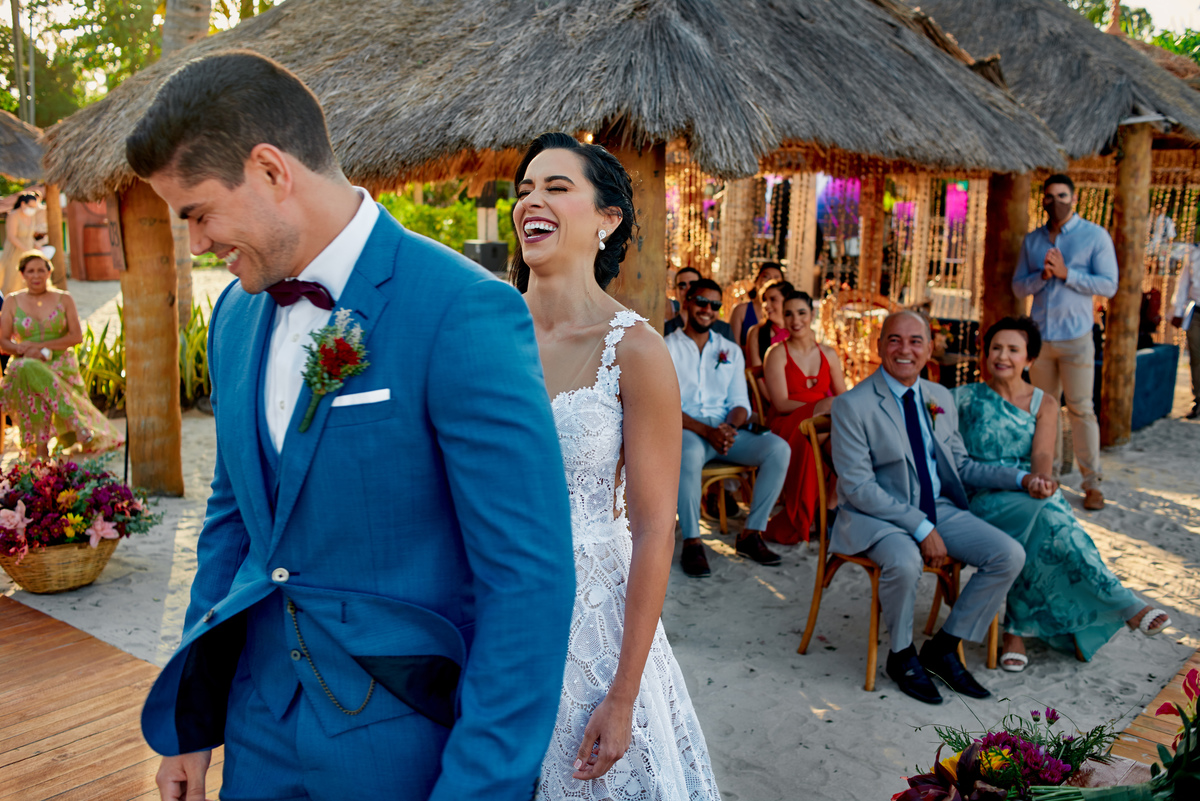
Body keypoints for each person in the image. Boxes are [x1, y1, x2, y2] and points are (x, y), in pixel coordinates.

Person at [127, 52, 575, 801]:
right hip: (259, 724)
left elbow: (529, 580)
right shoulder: (235, 316)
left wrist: (479, 788)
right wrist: (193, 721)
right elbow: (233, 519)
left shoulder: (460, 309)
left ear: (271, 170)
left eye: (197, 211)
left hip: (401, 740)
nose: (197, 239)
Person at [511, 131, 720, 801]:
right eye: (523, 190)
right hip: (494, 611)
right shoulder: (486, 333)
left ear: (608, 218)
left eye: (555, 186)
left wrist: (624, 693)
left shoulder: (635, 350)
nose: (530, 201)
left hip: (591, 627)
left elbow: (656, 528)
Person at [829, 311, 1044, 705]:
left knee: (1008, 554)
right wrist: (920, 527)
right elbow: (858, 488)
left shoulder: (939, 397)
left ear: (929, 348)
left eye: (915, 341)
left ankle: (944, 646)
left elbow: (961, 465)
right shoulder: (853, 405)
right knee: (906, 560)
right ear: (879, 346)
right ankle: (901, 654)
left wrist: (1020, 478)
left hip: (937, 507)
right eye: (894, 340)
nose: (904, 349)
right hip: (877, 518)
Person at [955, 317, 1171, 671]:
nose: (1002, 356)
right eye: (996, 348)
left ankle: (1016, 631)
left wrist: (1040, 480)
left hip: (1028, 491)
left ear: (1029, 359)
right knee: (1045, 513)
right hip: (983, 497)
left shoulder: (1045, 402)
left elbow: (1042, 455)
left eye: (1013, 349)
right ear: (985, 354)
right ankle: (1125, 604)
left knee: (1042, 514)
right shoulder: (964, 398)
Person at [666, 278, 791, 578]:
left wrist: (728, 429)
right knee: (688, 455)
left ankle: (751, 533)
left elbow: (739, 402)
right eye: (701, 302)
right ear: (687, 302)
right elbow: (666, 406)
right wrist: (708, 431)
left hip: (724, 430)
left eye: (714, 305)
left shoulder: (730, 350)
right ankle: (693, 542)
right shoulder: (667, 346)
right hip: (688, 429)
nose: (707, 310)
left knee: (778, 449)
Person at [1013, 173, 1118, 511]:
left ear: (1074, 199)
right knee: (1046, 409)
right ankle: (1049, 476)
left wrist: (1066, 274)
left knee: (1081, 408)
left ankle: (1092, 484)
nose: (1054, 202)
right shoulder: (1033, 241)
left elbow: (1109, 285)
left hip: (1076, 338)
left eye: (1061, 196)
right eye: (1048, 197)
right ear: (1041, 201)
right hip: (1041, 339)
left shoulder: (1094, 236)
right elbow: (1018, 287)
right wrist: (1041, 277)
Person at [0, 251, 124, 457]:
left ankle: (40, 449)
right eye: (30, 271)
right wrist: (23, 349)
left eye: (41, 270)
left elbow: (76, 337)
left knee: (28, 372)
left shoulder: (64, 299)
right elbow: (2, 340)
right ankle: (76, 424)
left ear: (49, 273)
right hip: (25, 359)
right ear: (22, 274)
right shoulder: (13, 301)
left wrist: (40, 347)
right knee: (26, 368)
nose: (36, 275)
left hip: (59, 362)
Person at [762, 290, 846, 544]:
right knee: (835, 412)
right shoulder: (776, 353)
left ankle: (829, 508)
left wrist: (824, 408)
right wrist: (821, 404)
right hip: (786, 425)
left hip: (820, 428)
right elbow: (781, 402)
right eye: (788, 314)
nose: (795, 320)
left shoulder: (829, 354)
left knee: (844, 444)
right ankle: (826, 513)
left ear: (812, 315)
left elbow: (845, 398)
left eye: (801, 313)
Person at [664, 266, 732, 339]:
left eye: (693, 285)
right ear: (675, 292)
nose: (688, 289)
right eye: (682, 286)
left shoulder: (723, 329)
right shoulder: (665, 329)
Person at [1171, 245, 1200, 419]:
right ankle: (1198, 401)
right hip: (1196, 312)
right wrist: (1176, 313)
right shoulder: (1194, 253)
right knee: (1196, 359)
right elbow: (1182, 284)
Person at [727, 262, 784, 347]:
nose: (771, 281)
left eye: (776, 278)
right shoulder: (740, 310)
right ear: (756, 280)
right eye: (766, 276)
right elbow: (733, 347)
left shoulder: (786, 313)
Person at [744, 278, 793, 376]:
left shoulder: (797, 331)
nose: (766, 305)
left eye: (773, 299)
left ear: (787, 301)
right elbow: (757, 376)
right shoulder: (756, 332)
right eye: (764, 300)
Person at [1, 192, 44, 297]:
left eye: (34, 207)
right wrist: (27, 250)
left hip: (28, 251)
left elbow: (29, 235)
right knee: (12, 280)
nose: (33, 209)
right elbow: (12, 237)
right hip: (14, 252)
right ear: (23, 204)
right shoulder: (13, 215)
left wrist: (36, 245)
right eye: (30, 206)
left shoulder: (31, 217)